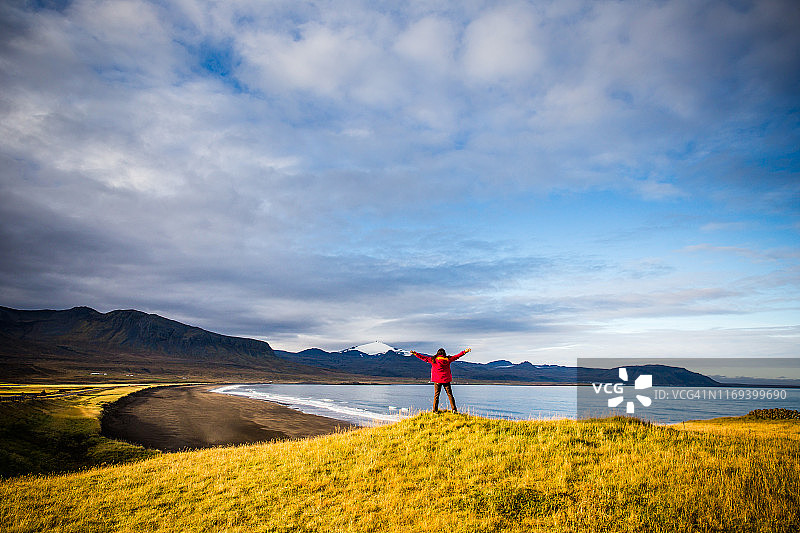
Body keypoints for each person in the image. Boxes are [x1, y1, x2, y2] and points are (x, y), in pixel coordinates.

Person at [410, 347, 471, 413]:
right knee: (450, 395)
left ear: (437, 353)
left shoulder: (433, 359)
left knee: (436, 395)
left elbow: (423, 357)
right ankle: (454, 410)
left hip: (437, 380)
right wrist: (465, 351)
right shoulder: (448, 359)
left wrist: (415, 353)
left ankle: (435, 411)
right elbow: (457, 356)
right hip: (446, 380)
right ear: (444, 353)